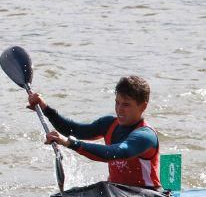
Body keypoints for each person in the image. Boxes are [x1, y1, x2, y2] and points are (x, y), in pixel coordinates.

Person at [27, 75, 160, 188]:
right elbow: (74, 130)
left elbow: (117, 152)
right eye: (117, 103)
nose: (119, 109)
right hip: (117, 193)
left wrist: (69, 143)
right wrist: (45, 108)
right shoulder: (109, 124)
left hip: (146, 196)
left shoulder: (145, 136)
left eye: (126, 105)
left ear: (143, 106)